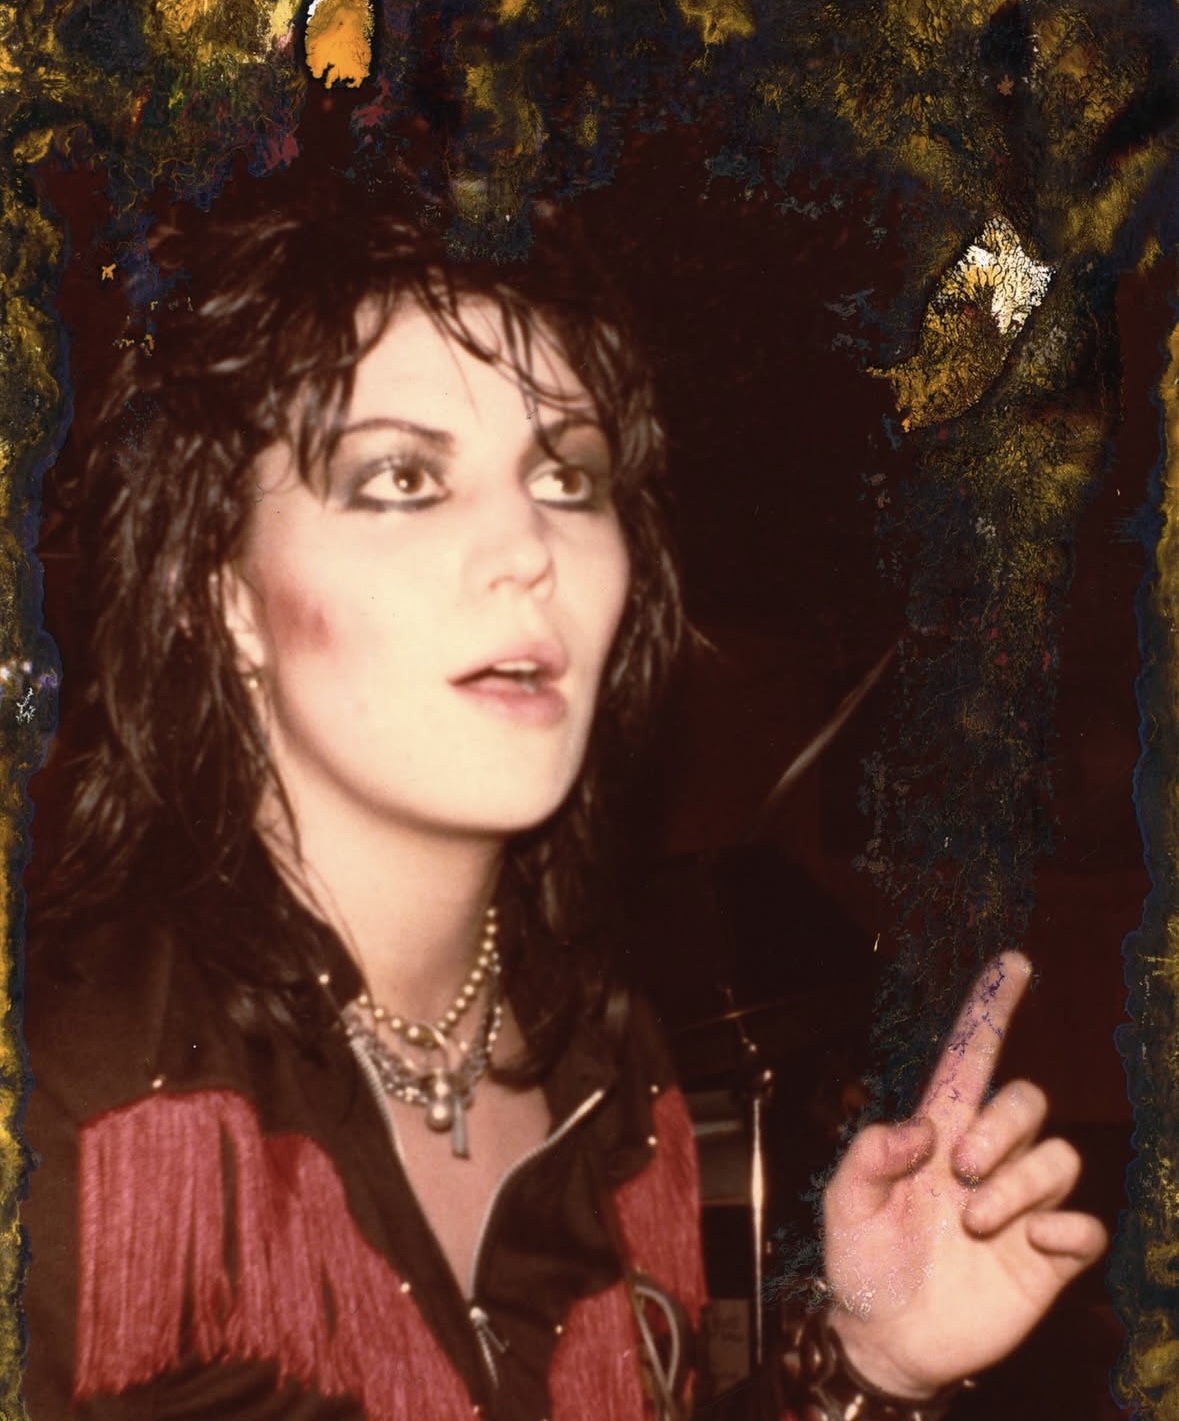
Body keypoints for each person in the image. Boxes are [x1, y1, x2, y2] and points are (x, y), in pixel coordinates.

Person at [21, 158, 1106, 1421]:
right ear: (226, 598)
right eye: (403, 477)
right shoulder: (63, 1093)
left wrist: (862, 1364)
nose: (528, 548)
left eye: (566, 476)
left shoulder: (612, 1058)